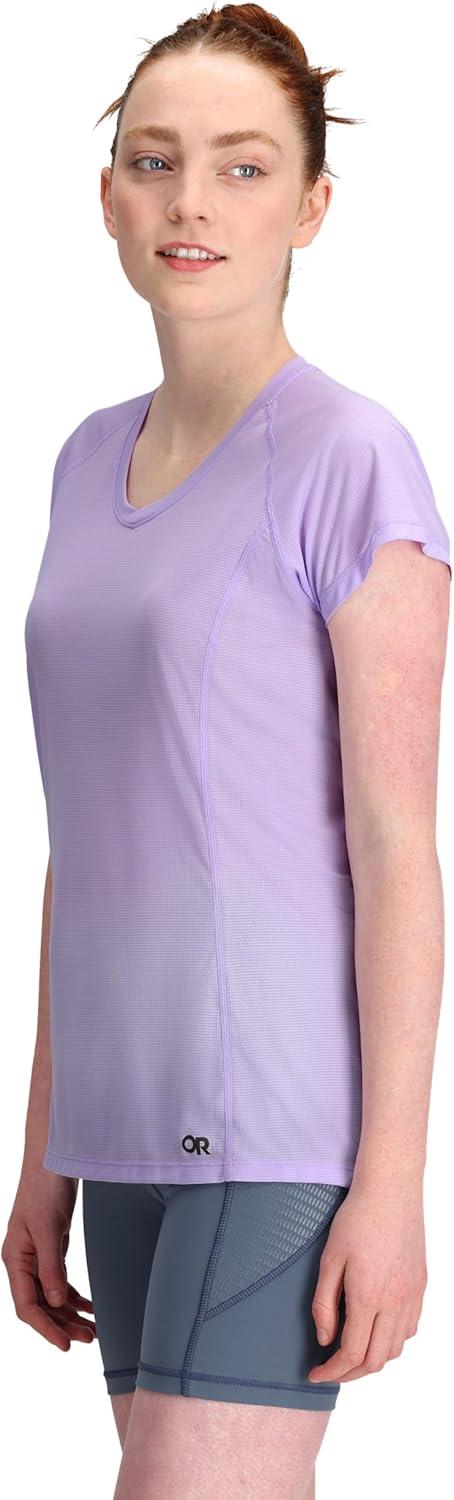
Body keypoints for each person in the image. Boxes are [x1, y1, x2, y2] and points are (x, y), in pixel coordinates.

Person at [2, 5, 451, 1498]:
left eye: (244, 167)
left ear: (311, 205)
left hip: (267, 1120)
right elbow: (88, 836)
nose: (192, 202)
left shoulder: (350, 457)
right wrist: (45, 1147)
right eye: (157, 162)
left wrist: (394, 1185)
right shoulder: (82, 459)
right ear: (109, 197)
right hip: (121, 1125)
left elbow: (396, 849)